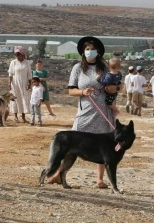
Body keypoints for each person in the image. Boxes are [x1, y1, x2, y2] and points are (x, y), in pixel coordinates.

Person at [47, 36, 114, 189]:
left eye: (93, 49)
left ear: (98, 51)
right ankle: (58, 174)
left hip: (102, 111)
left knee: (103, 145)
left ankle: (99, 179)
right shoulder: (77, 68)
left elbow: (115, 87)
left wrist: (112, 89)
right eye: (87, 49)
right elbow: (71, 90)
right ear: (83, 52)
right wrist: (83, 92)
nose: (90, 52)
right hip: (85, 112)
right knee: (73, 144)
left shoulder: (104, 67)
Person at [8, 46, 32, 123]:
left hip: (24, 83)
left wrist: (30, 84)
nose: (17, 57)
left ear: (23, 55)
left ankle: (23, 116)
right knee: (15, 98)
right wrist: (9, 83)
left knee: (24, 99)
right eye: (16, 55)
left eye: (19, 55)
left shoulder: (27, 63)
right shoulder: (13, 62)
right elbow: (10, 73)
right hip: (15, 83)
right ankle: (15, 116)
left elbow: (29, 74)